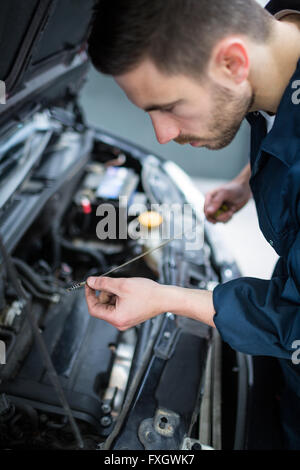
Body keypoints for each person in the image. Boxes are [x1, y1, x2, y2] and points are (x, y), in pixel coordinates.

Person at [86, 0, 300, 448]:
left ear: (233, 62)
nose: (162, 134)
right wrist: (249, 179)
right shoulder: (282, 24)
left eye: (169, 106)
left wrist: (167, 298)